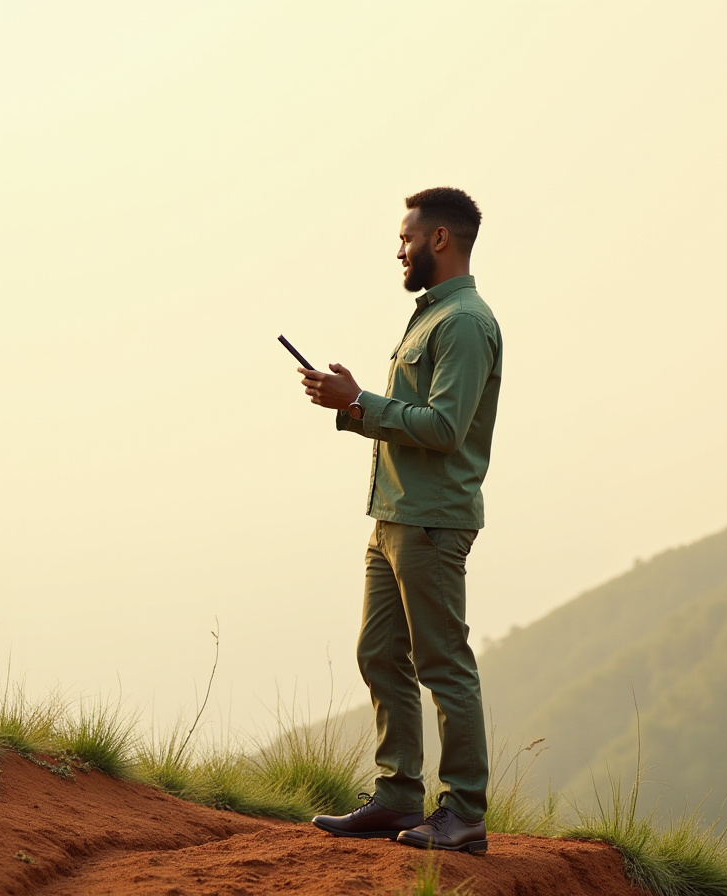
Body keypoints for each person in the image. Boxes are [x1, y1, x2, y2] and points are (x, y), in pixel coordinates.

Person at [298, 187, 501, 854]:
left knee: (443, 665)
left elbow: (444, 428)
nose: (400, 248)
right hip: (393, 517)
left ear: (439, 240)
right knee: (379, 652)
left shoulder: (464, 324)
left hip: (431, 523)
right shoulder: (430, 317)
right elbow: (409, 420)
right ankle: (396, 797)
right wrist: (352, 405)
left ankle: (464, 812)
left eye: (407, 237)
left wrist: (361, 401)